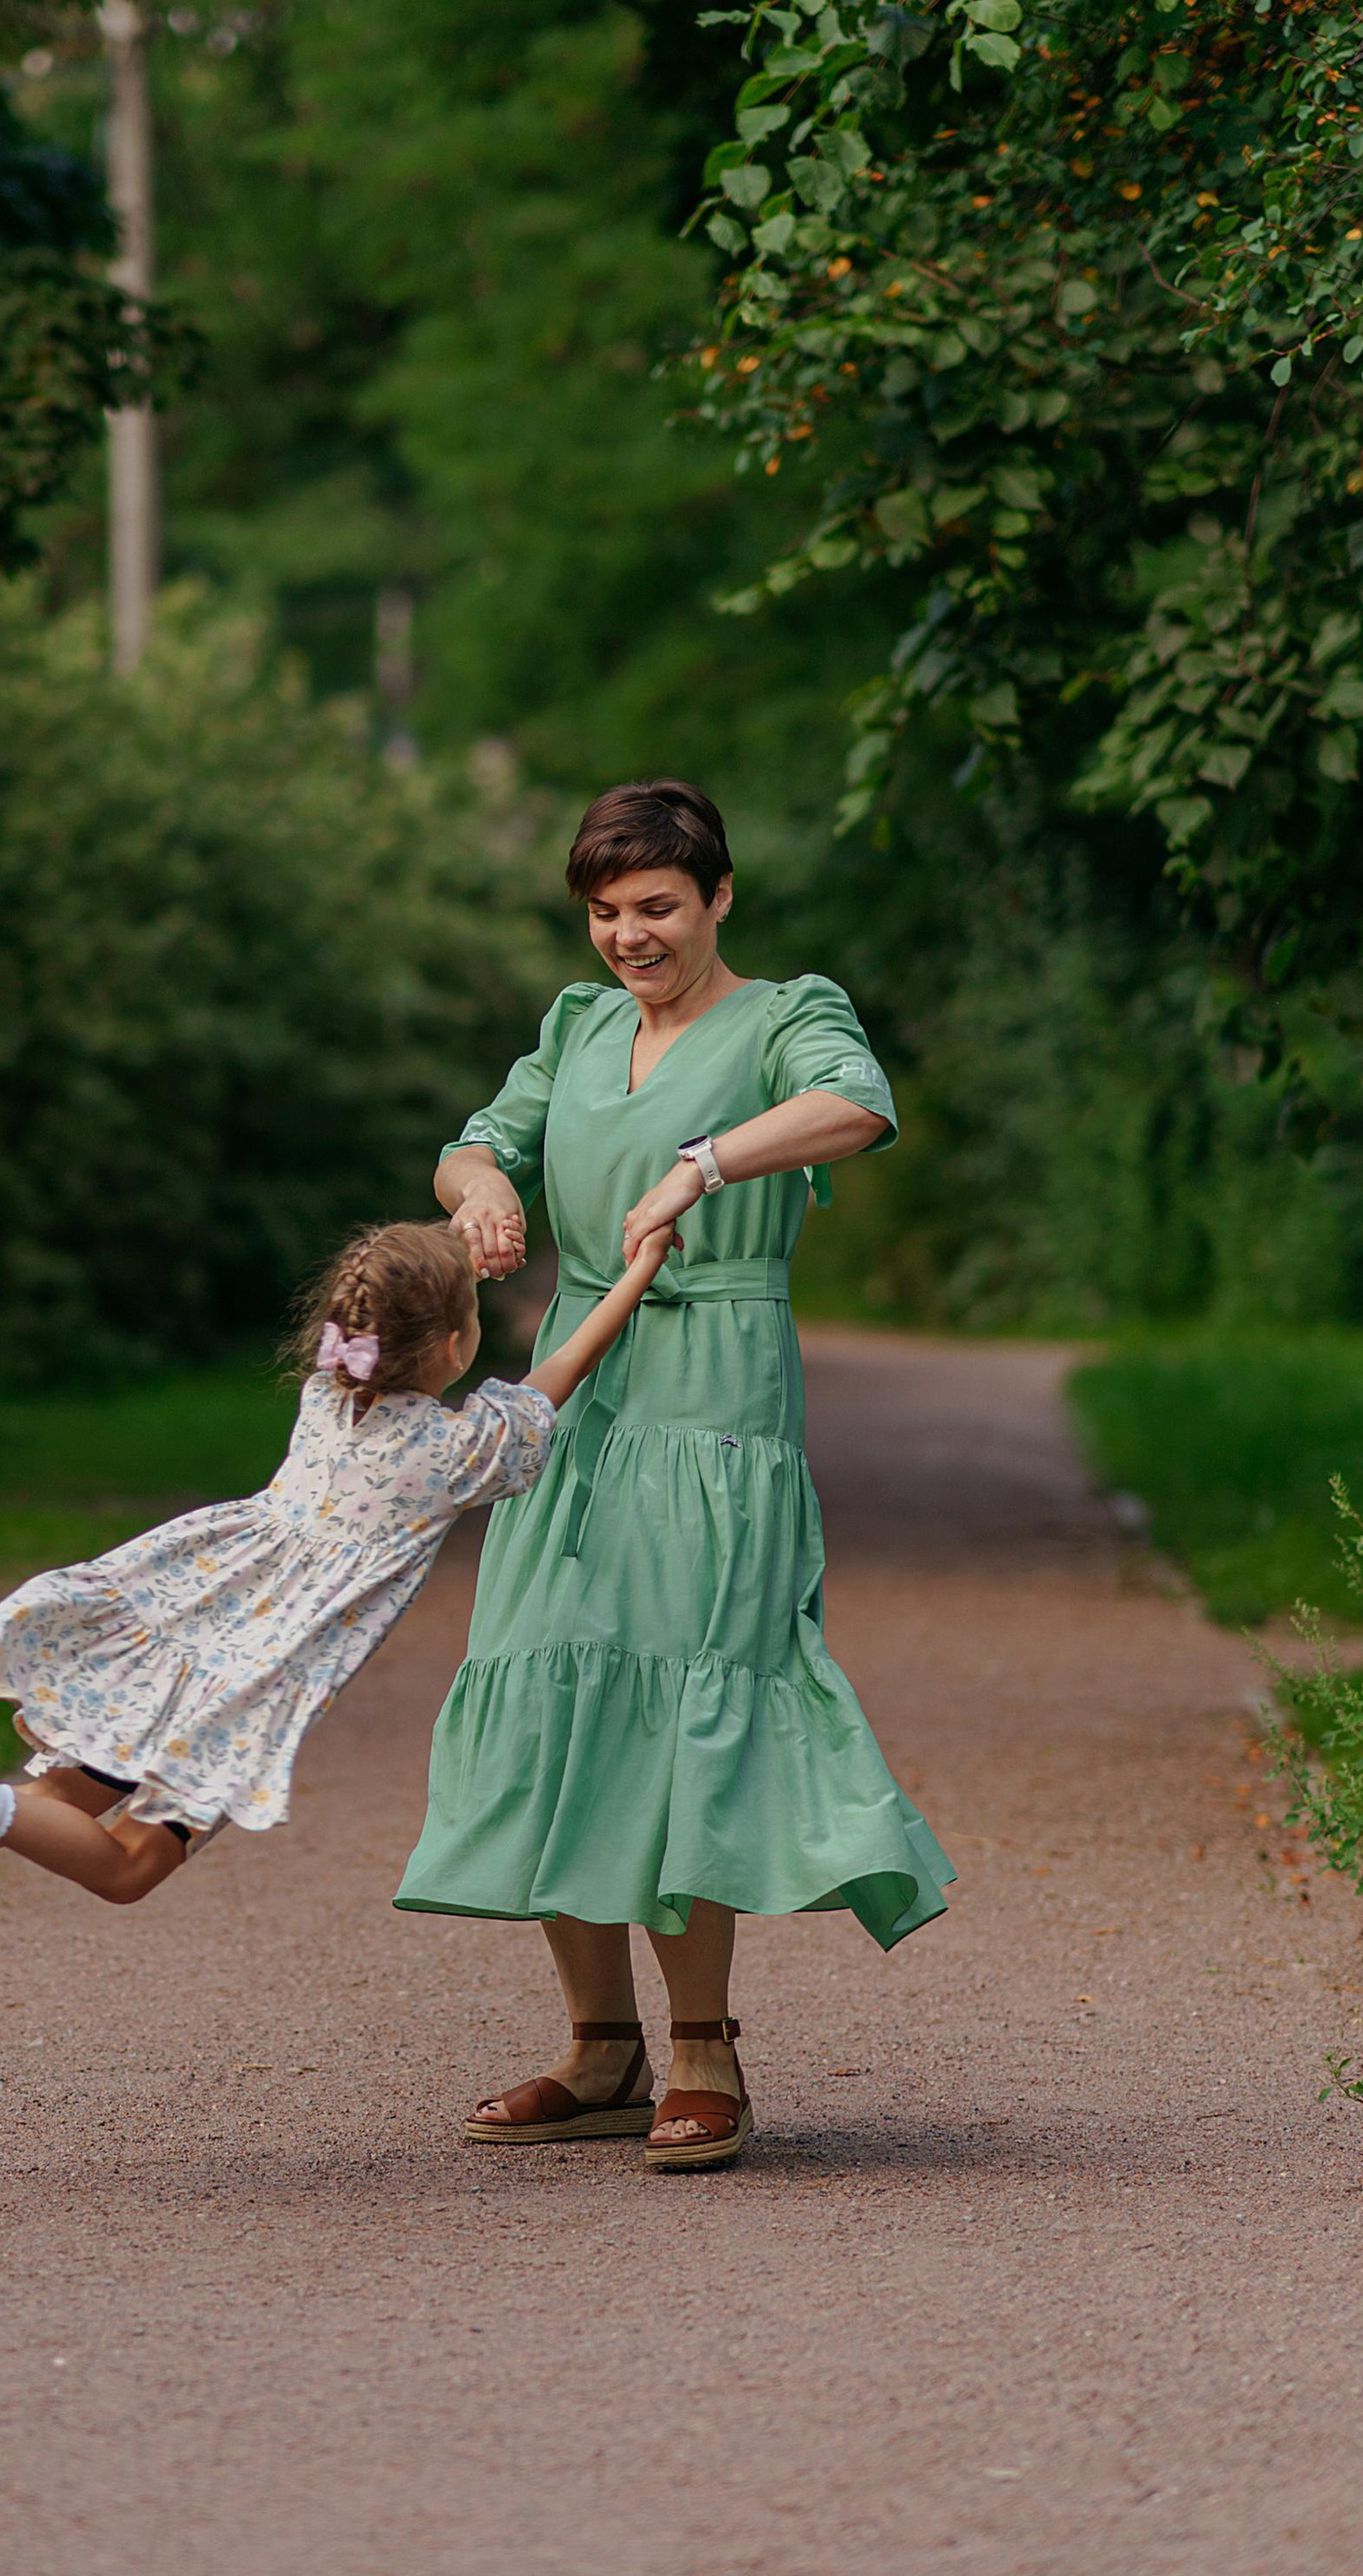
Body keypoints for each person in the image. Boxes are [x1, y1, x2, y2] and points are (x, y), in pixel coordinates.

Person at [397, 776, 954, 2172]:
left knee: (684, 1692)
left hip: (716, 1388)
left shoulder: (783, 1016)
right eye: (604, 911)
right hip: (571, 1385)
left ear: (718, 897)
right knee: (546, 1675)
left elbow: (855, 1106)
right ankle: (600, 2051)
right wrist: (484, 1188)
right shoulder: (577, 1025)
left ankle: (705, 2050)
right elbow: (477, 1140)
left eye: (655, 905)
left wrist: (705, 1163)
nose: (629, 935)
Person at [0, 1214, 679, 1993]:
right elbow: (555, 1378)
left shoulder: (326, 1398)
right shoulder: (449, 1454)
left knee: (63, 1797)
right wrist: (635, 1275)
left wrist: (452, 1254)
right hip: (245, 1687)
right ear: (452, 1345)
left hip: (186, 1634)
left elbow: (399, 1297)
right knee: (127, 1870)